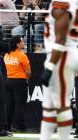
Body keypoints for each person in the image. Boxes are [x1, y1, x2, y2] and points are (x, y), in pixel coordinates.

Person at [40, 0, 78, 140]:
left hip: (61, 55)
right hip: (61, 53)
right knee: (49, 105)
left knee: (62, 104)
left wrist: (50, 67)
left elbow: (61, 38)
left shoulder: (63, 2)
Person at [4, 35, 31, 132]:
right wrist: (26, 79)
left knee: (9, 105)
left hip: (8, 81)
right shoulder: (22, 55)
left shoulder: (7, 54)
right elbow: (28, 71)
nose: (23, 43)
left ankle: (7, 126)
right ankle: (20, 127)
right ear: (17, 44)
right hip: (20, 81)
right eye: (22, 42)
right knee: (20, 105)